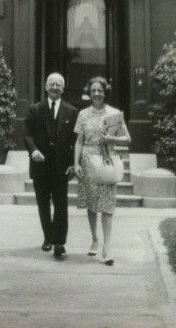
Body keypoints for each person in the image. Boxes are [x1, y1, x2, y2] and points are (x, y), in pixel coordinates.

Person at [73, 76, 131, 266]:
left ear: (105, 92)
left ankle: (107, 247)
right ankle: (94, 239)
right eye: (93, 91)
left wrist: (111, 140)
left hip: (106, 159)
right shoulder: (83, 114)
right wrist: (77, 163)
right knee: (91, 203)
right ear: (89, 93)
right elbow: (79, 141)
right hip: (88, 160)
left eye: (100, 90)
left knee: (107, 204)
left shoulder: (114, 114)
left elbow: (127, 139)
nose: (96, 94)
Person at [23, 72, 78, 259]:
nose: (55, 88)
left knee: (61, 205)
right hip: (40, 164)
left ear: (63, 88)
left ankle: (60, 242)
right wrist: (33, 151)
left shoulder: (71, 111)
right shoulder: (35, 109)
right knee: (43, 204)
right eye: (52, 84)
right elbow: (27, 135)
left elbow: (75, 141)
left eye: (59, 85)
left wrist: (72, 163)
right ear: (46, 87)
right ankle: (48, 238)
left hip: (61, 166)